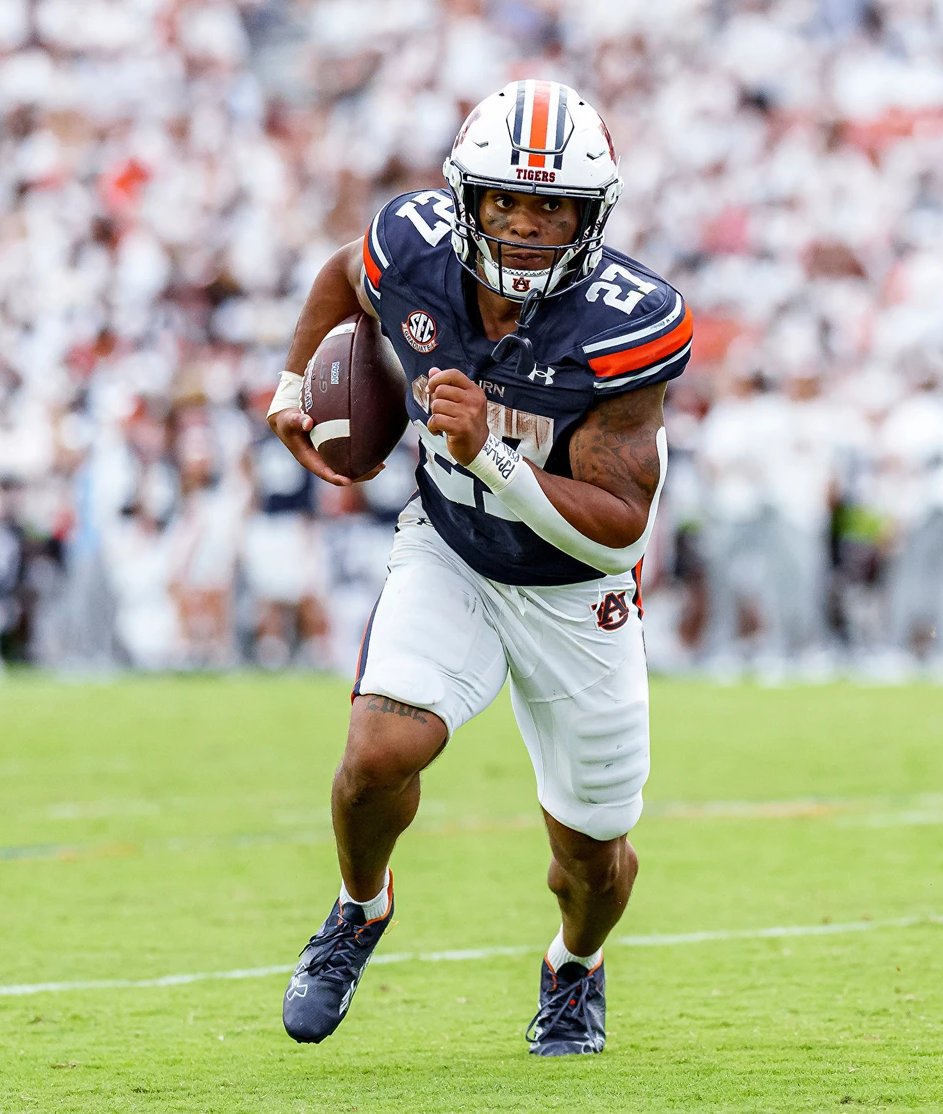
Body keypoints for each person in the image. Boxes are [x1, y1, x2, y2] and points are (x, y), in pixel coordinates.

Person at [266, 79, 692, 1055]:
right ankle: (357, 909)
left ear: (591, 218)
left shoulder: (627, 326)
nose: (529, 225)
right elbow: (345, 272)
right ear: (468, 199)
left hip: (576, 593)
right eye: (507, 199)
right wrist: (295, 383)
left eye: (554, 206)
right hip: (451, 549)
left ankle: (573, 968)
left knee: (590, 865)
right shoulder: (412, 246)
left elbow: (620, 530)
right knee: (375, 755)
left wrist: (492, 449)